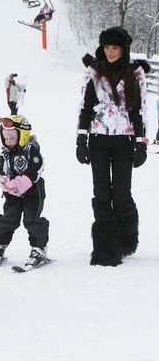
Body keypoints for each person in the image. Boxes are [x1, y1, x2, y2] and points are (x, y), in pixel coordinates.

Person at [76, 26, 150, 267]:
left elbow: (140, 111)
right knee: (101, 194)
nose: (109, 52)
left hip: (124, 141)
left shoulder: (135, 73)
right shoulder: (94, 71)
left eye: (114, 47)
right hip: (98, 139)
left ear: (123, 49)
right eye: (106, 47)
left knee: (121, 195)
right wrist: (81, 138)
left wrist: (141, 143)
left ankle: (127, 237)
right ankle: (105, 249)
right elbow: (85, 106)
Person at [0, 115, 50, 270]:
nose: (8, 141)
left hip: (33, 191)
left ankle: (39, 250)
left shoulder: (32, 150)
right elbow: (1, 170)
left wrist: (20, 183)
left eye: (12, 138)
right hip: (12, 193)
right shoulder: (5, 152)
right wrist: (3, 181)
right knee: (8, 218)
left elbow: (35, 169)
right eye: (5, 138)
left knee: (32, 219)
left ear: (23, 136)